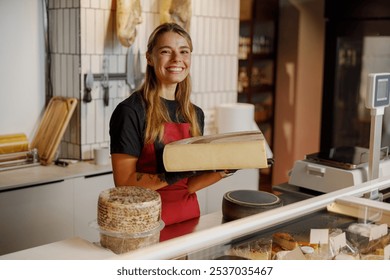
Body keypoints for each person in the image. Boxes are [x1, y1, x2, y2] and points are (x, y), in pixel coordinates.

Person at [109, 23, 232, 226]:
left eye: (184, 52)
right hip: (145, 222)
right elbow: (124, 183)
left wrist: (223, 170)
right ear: (149, 58)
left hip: (187, 217)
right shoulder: (131, 111)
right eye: (166, 51)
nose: (177, 59)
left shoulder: (194, 114)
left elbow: (188, 185)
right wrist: (171, 175)